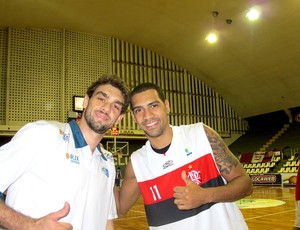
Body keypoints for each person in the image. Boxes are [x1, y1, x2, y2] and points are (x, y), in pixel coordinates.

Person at [0, 74, 129, 230]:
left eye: (115, 106)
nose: (106, 108)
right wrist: (29, 226)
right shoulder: (42, 134)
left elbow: (107, 221)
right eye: (101, 99)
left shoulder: (107, 162)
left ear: (119, 119)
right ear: (86, 101)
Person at [117, 83, 253, 230]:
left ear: (167, 106)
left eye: (154, 105)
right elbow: (119, 209)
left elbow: (245, 184)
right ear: (133, 116)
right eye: (139, 110)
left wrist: (205, 196)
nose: (147, 115)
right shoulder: (137, 163)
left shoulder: (201, 134)